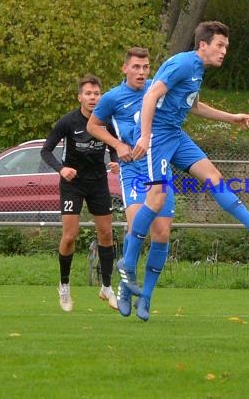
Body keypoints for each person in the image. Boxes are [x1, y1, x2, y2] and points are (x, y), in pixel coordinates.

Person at [121, 21, 249, 320]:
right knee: (157, 200)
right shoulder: (183, 63)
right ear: (203, 45)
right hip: (158, 136)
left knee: (214, 177)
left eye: (226, 46)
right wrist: (145, 136)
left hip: (175, 134)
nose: (224, 51)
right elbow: (149, 97)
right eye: (220, 45)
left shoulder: (196, 69)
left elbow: (194, 106)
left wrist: (231, 117)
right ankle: (128, 262)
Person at [86, 47, 174, 321]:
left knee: (161, 235)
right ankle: (125, 287)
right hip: (133, 170)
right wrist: (117, 144)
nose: (141, 72)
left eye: (146, 67)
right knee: (137, 225)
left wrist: (229, 117)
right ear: (125, 68)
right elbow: (93, 126)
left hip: (159, 169)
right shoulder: (112, 97)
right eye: (136, 67)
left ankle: (145, 297)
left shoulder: (157, 89)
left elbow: (191, 106)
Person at [41, 74, 120, 312]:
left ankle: (106, 287)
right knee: (70, 236)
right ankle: (64, 286)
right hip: (73, 184)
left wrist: (115, 161)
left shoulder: (106, 122)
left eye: (96, 93)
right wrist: (61, 169)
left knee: (106, 234)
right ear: (80, 97)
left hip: (98, 183)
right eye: (88, 93)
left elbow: (115, 146)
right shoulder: (68, 122)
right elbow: (46, 151)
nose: (93, 97)